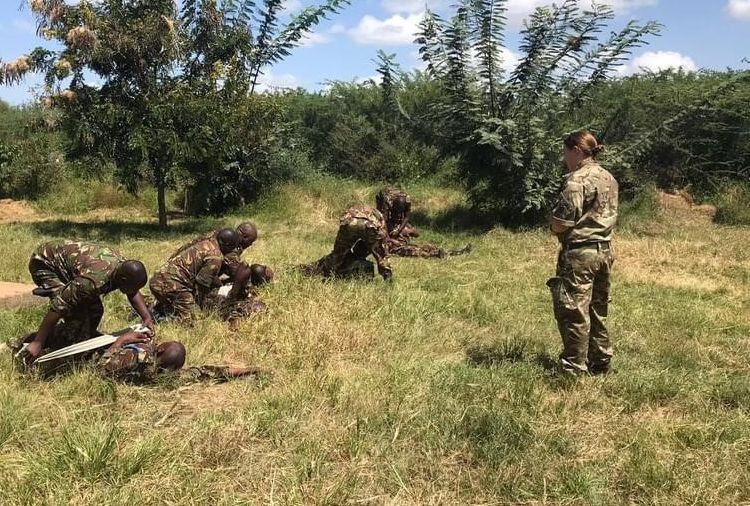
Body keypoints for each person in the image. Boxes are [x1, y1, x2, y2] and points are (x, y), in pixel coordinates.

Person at [547, 130, 618, 376]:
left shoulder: (577, 180)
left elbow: (562, 221)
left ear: (576, 150)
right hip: (605, 250)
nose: (564, 158)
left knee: (573, 310)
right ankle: (600, 362)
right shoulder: (608, 177)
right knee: (598, 308)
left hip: (580, 254)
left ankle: (573, 368)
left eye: (566, 152)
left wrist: (553, 224)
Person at [23, 240, 154, 364]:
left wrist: (146, 317)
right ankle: (32, 344)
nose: (135, 291)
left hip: (70, 264)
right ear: (123, 280)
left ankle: (81, 342)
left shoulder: (123, 268)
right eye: (133, 287)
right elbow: (59, 305)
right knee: (77, 316)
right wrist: (38, 342)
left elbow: (132, 292)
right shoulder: (92, 281)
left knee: (95, 311)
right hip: (45, 263)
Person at [96, 330, 262, 383]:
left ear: (160, 350)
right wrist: (249, 370)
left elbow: (100, 369)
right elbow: (209, 371)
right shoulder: (171, 377)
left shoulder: (136, 356)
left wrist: (121, 340)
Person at [149, 228, 239, 324]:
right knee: (194, 321)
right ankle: (155, 319)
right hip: (172, 285)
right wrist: (202, 305)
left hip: (158, 279)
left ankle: (155, 309)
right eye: (232, 248)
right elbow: (201, 284)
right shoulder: (215, 258)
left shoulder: (205, 242)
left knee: (173, 307)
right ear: (227, 245)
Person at [300, 205, 393, 281]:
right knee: (381, 256)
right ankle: (388, 280)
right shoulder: (380, 217)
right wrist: (381, 252)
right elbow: (383, 237)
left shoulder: (364, 209)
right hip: (368, 225)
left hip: (349, 222)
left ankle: (327, 273)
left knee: (338, 253)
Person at [375, 188, 471, 259]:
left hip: (401, 243)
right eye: (396, 211)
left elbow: (414, 231)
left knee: (425, 247)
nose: (398, 214)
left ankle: (454, 252)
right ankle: (436, 254)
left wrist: (404, 231)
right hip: (396, 246)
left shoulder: (405, 201)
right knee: (414, 250)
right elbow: (385, 231)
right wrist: (391, 240)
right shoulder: (386, 213)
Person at [201, 263, 274, 329]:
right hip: (214, 295)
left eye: (264, 269)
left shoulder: (247, 297)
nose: (263, 267)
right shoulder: (245, 285)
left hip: (212, 299)